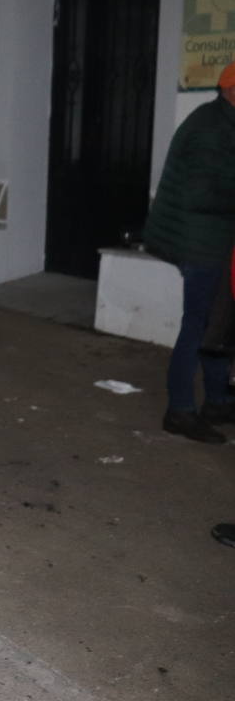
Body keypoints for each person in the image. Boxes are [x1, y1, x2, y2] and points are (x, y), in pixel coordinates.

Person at [141, 60, 235, 444]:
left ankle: (216, 401)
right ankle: (179, 410)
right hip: (200, 243)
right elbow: (202, 195)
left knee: (219, 323)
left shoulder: (223, 122)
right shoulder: (211, 128)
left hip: (216, 240)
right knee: (197, 325)